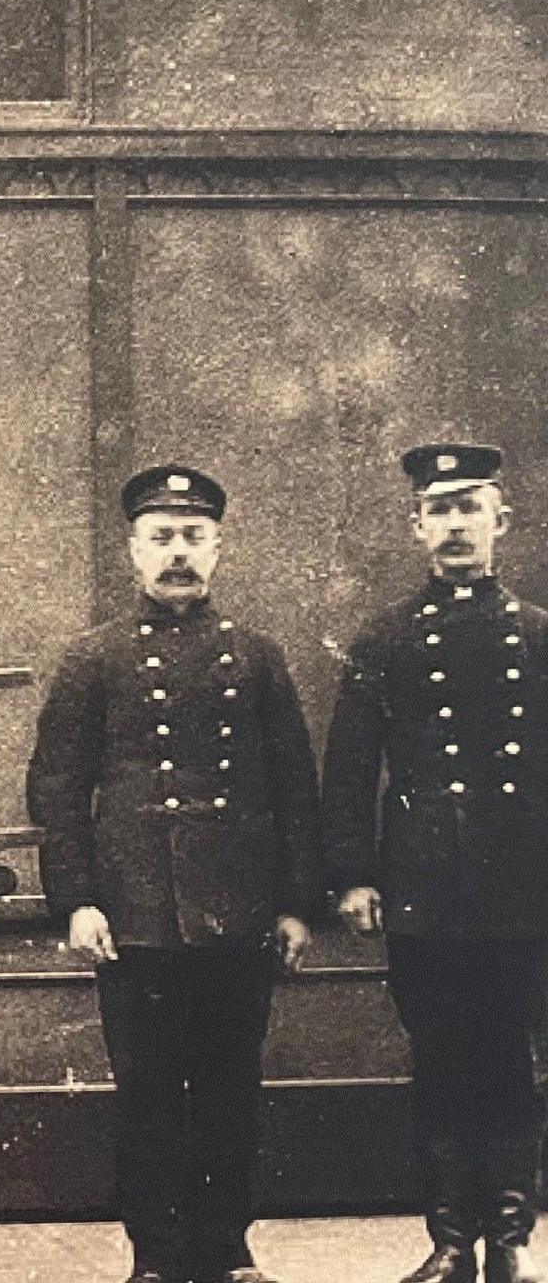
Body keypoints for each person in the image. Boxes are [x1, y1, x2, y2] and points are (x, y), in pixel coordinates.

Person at [28, 463, 322, 1283]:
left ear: (219, 549)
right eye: (162, 539)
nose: (178, 554)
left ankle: (228, 1249)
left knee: (231, 1089)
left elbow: (295, 785)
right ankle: (156, 1257)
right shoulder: (95, 658)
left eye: (194, 538)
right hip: (137, 913)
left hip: (239, 909)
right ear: (133, 551)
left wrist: (298, 905)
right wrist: (77, 901)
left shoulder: (257, 657)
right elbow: (55, 787)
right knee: (150, 1095)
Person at [324, 442, 548, 1283]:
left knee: (514, 1062)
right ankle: (451, 1242)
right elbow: (348, 770)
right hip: (424, 885)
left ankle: (513, 1242)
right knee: (443, 1058)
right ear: (416, 526)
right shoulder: (384, 639)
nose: (456, 525)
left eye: (471, 507)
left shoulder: (538, 636)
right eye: (439, 510)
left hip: (526, 884)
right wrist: (352, 874)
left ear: (501, 521)